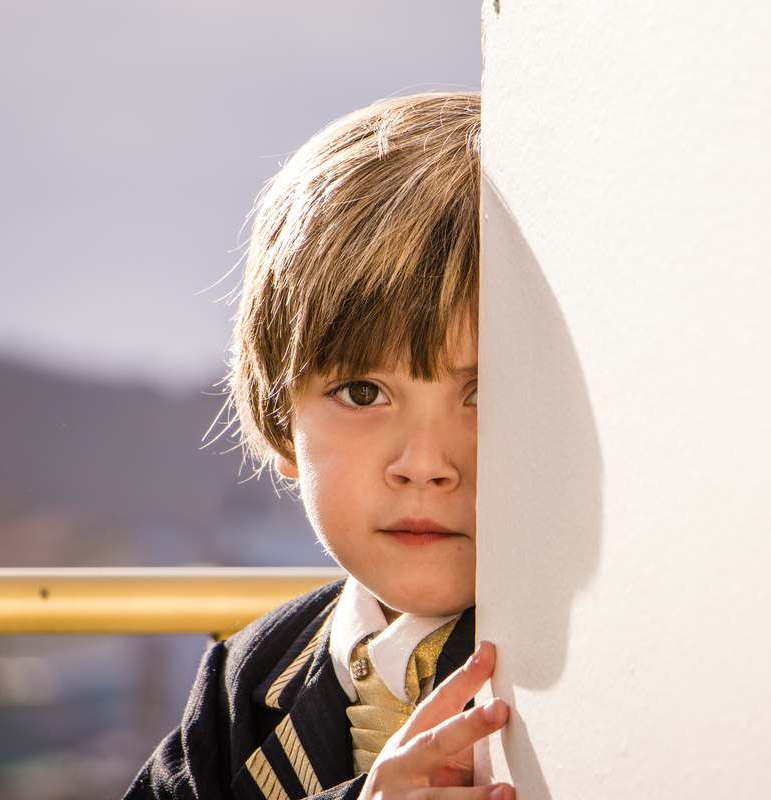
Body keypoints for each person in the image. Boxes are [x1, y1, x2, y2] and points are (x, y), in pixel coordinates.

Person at [125, 92, 513, 800]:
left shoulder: (587, 666)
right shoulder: (243, 678)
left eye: (483, 393)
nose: (424, 465)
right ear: (282, 426)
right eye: (363, 393)